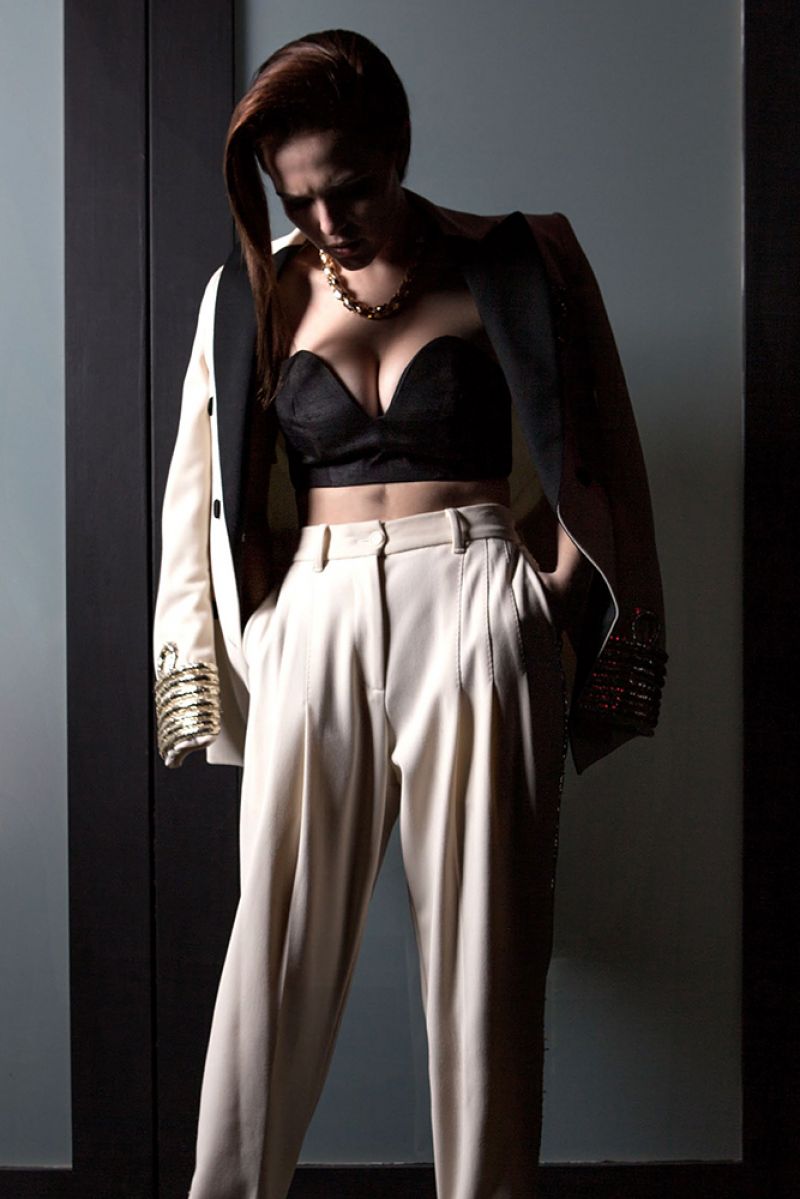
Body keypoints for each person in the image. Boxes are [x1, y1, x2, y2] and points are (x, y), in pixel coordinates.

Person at [152, 27, 667, 1199]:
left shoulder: (519, 262)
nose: (324, 219)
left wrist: (551, 594)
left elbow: (602, 445)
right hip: (313, 610)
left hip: (478, 598)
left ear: (397, 148)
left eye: (349, 186)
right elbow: (199, 487)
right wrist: (242, 641)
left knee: (486, 963)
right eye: (295, 196)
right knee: (270, 958)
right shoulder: (249, 291)